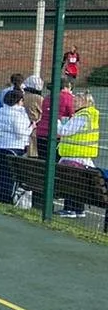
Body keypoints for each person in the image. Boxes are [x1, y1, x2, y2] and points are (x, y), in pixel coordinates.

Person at [55, 89, 101, 217]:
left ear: (84, 102)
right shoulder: (91, 116)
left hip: (73, 155)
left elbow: (65, 131)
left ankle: (70, 208)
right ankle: (79, 209)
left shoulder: (81, 116)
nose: (73, 103)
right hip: (83, 155)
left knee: (70, 183)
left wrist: (57, 123)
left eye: (76, 101)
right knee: (79, 183)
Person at [0, 89, 34, 206]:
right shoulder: (17, 114)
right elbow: (20, 133)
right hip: (14, 146)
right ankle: (8, 197)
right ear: (19, 101)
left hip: (0, 145)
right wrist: (31, 127)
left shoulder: (1, 111)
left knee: (1, 172)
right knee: (13, 174)